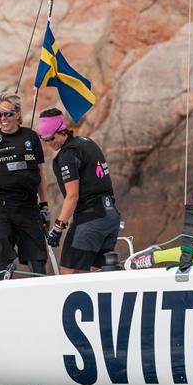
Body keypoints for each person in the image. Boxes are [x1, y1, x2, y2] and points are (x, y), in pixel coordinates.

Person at [37, 108, 120, 274]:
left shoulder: (68, 154)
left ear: (62, 130)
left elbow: (72, 196)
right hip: (111, 216)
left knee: (69, 271)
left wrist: (58, 228)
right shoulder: (87, 142)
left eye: (51, 138)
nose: (49, 143)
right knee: (98, 271)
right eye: (43, 140)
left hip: (91, 218)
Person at [0, 93, 49, 275]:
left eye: (7, 114)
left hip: (29, 207)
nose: (3, 118)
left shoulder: (31, 137)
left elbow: (40, 173)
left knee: (38, 262)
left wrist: (44, 205)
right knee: (2, 266)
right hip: (1, 208)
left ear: (17, 114)